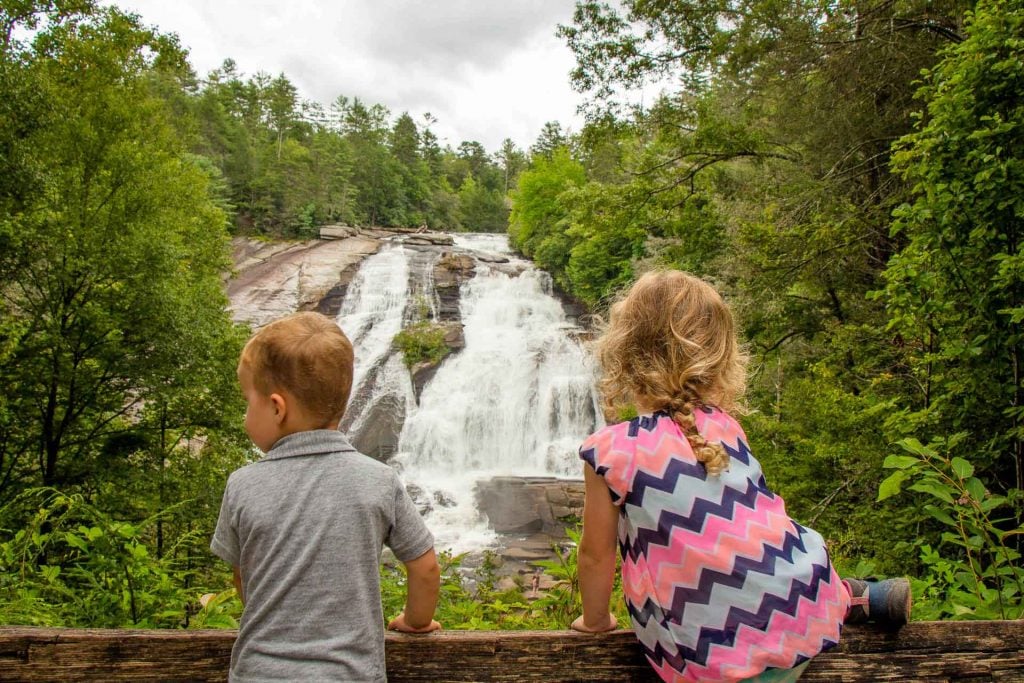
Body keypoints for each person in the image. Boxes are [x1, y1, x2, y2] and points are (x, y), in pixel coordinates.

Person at [570, 270, 909, 683]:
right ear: (718, 358)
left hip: (709, 659)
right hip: (802, 615)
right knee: (774, 544)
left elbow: (595, 555)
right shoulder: (724, 426)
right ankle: (858, 596)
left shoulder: (609, 450)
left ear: (624, 353)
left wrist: (596, 621)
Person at [211, 311, 441, 682]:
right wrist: (416, 621)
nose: (245, 413)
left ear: (275, 407)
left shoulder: (242, 485)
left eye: (246, 401)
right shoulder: (378, 479)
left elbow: (244, 577)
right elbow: (425, 567)